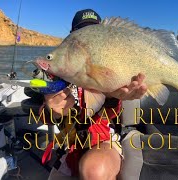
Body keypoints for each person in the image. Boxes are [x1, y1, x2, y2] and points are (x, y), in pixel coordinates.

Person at [40, 9, 148, 180]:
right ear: (71, 39)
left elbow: (112, 113)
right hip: (70, 146)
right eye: (82, 33)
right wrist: (51, 109)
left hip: (104, 140)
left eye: (95, 33)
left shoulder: (111, 67)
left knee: (94, 170)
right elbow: (44, 116)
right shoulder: (56, 73)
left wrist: (114, 96)